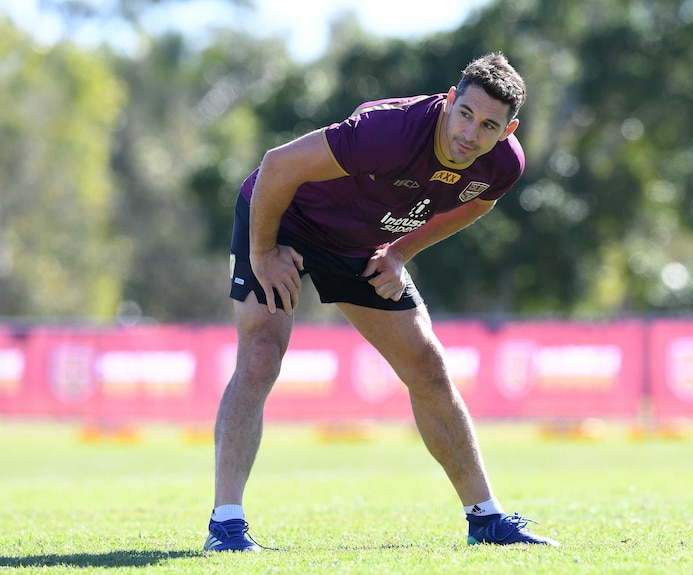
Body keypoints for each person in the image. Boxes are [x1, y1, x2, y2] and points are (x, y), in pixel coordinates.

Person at [203, 52, 558, 552]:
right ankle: (226, 526)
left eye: (488, 126)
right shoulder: (386, 131)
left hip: (359, 246)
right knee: (262, 355)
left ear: (508, 129)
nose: (470, 134)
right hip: (285, 221)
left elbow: (478, 202)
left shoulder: (504, 163)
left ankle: (487, 519)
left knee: (428, 364)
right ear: (449, 100)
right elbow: (276, 166)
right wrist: (262, 253)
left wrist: (400, 253)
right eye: (465, 114)